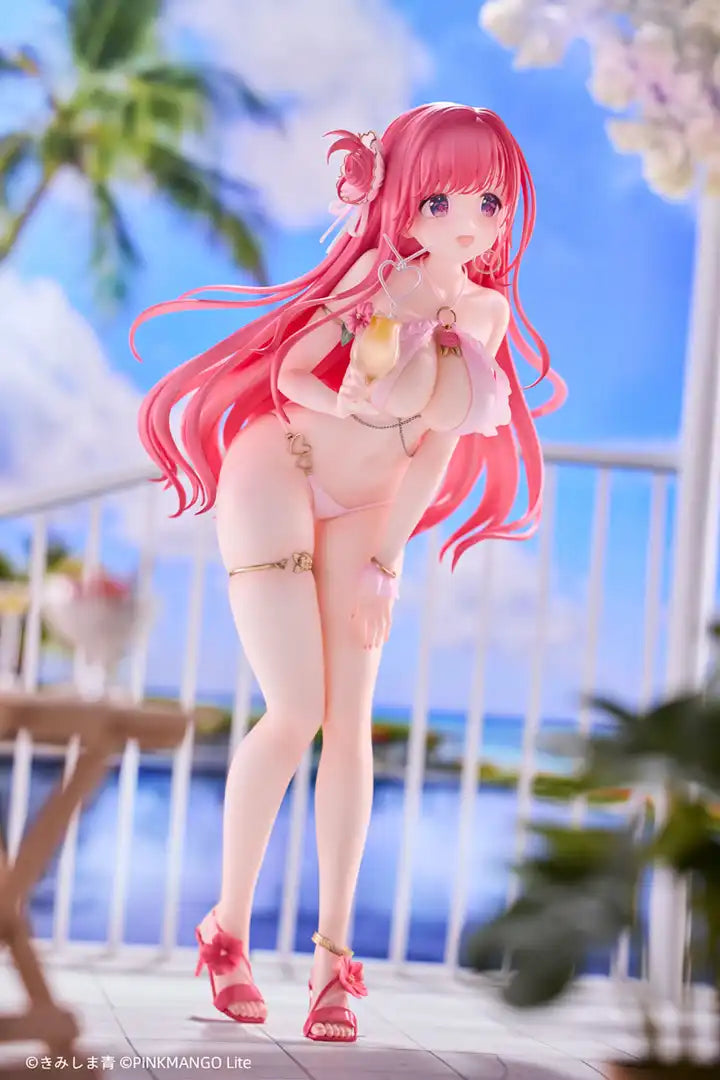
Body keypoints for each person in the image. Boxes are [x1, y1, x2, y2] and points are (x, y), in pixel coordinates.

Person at [129, 101, 566, 1043]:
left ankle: (334, 962)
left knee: (350, 724)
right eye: (441, 200)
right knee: (296, 710)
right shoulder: (377, 279)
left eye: (488, 202)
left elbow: (440, 449)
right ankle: (227, 931)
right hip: (280, 466)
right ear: (401, 198)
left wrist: (386, 560)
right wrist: (362, 383)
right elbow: (292, 378)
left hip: (372, 506)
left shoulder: (485, 312)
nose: (467, 222)